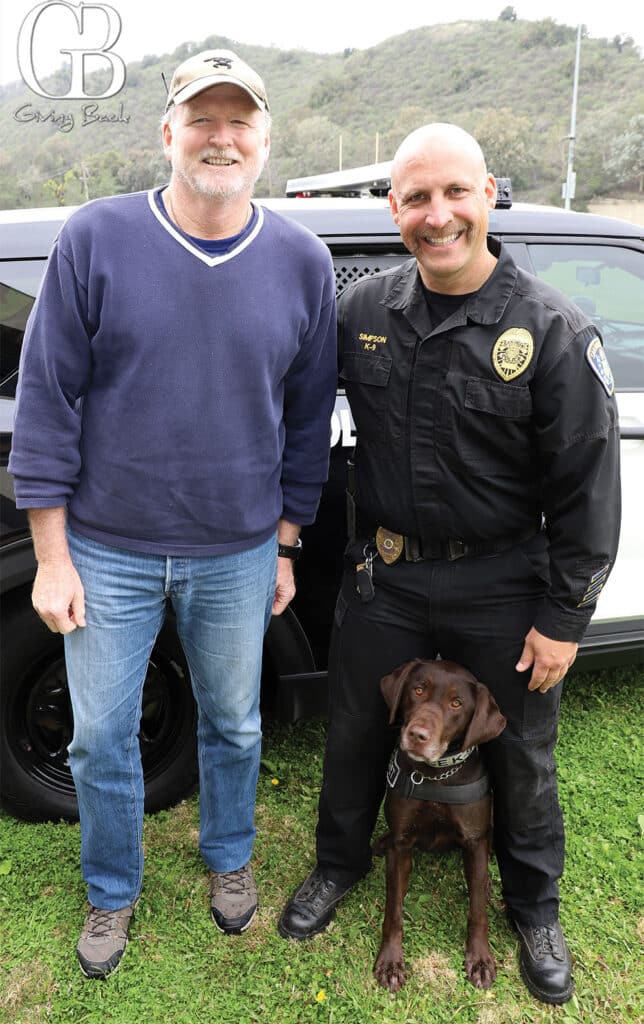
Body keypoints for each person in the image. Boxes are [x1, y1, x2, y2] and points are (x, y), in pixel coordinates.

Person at [9, 49, 337, 979]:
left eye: (240, 122)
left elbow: (308, 418)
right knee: (98, 733)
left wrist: (285, 541)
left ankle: (229, 859)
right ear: (168, 133)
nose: (220, 137)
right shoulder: (96, 239)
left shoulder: (301, 261)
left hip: (237, 550)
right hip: (106, 547)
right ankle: (113, 888)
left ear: (265, 141)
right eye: (202, 119)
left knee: (235, 721)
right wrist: (52, 554)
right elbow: (47, 400)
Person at [278, 123, 620, 1006]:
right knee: (357, 727)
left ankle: (535, 905)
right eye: (417, 198)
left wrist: (564, 619)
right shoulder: (365, 314)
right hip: (387, 575)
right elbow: (290, 404)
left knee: (524, 752)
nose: (438, 216)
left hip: (504, 581)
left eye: (454, 193)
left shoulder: (548, 327)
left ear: (489, 193)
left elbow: (588, 488)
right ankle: (338, 865)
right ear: (393, 209)